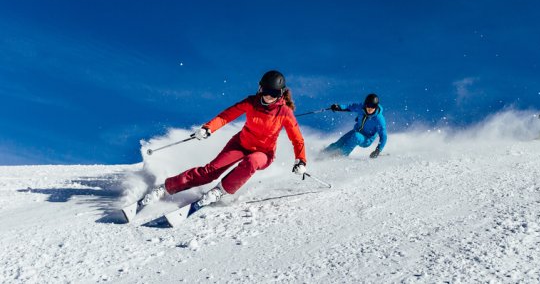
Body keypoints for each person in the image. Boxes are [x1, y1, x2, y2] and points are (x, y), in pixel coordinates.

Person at [141, 70, 308, 207]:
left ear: (280, 94)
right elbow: (226, 116)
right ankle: (165, 188)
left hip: (264, 153)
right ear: (260, 88)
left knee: (252, 161)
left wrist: (300, 160)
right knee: (209, 171)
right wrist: (208, 128)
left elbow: (297, 139)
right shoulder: (252, 102)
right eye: (266, 91)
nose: (268, 97)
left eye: (273, 93)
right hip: (240, 144)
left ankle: (219, 191)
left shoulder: (285, 112)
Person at [324, 93, 387, 158]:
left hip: (367, 139)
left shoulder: (379, 119)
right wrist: (338, 107)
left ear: (376, 106)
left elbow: (383, 136)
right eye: (368, 105)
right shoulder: (361, 108)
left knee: (356, 137)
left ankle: (340, 155)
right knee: (339, 143)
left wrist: (378, 150)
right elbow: (349, 107)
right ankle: (323, 153)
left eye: (373, 106)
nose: (370, 108)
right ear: (365, 104)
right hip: (356, 131)